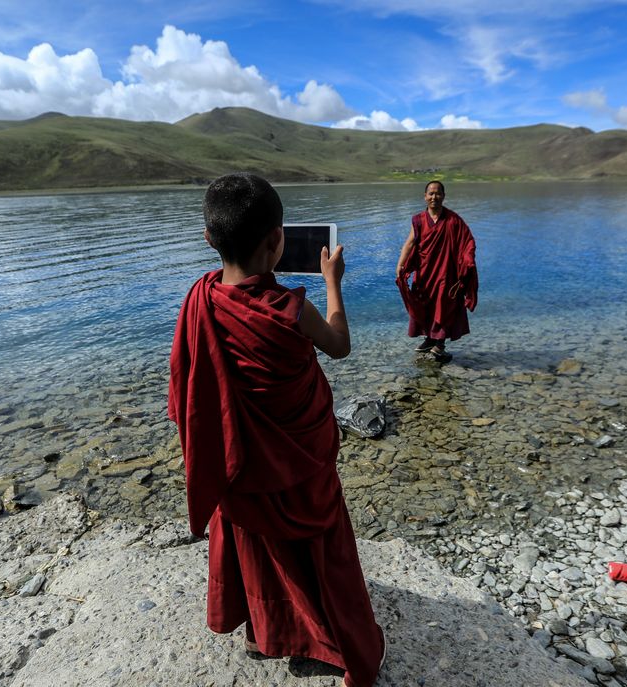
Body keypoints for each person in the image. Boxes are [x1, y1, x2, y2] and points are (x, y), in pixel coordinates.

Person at [168, 173, 385, 687]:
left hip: (240, 464)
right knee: (316, 549)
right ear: (278, 240)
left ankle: (260, 632)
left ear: (207, 240)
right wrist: (332, 283)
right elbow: (338, 345)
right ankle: (331, 639)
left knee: (254, 543)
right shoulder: (290, 307)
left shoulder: (198, 301)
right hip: (299, 465)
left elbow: (188, 391)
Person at [395, 180, 478, 363]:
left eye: (438, 193)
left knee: (444, 305)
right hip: (424, 273)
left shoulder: (454, 220)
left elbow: (468, 242)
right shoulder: (418, 220)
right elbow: (410, 243)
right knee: (424, 304)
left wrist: (468, 259)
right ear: (425, 197)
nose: (434, 197)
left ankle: (439, 345)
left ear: (444, 196)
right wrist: (401, 264)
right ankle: (430, 338)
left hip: (446, 274)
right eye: (431, 193)